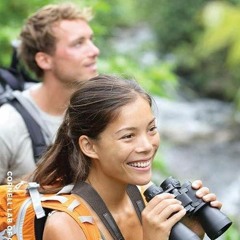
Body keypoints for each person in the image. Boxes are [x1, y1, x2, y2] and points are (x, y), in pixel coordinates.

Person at [32, 74, 222, 240]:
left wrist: (192, 232)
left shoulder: (147, 199)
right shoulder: (66, 226)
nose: (147, 146)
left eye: (151, 129)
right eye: (128, 136)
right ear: (89, 146)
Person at [0, 3, 100, 183]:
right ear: (44, 60)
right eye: (78, 43)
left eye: (91, 40)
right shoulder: (7, 126)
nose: (94, 51)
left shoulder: (100, 113)